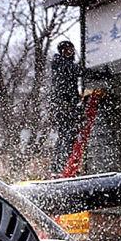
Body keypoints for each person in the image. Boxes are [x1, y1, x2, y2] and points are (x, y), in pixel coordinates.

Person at [47, 40, 85, 174]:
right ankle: (62, 166)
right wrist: (101, 72)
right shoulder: (61, 63)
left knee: (66, 135)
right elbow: (79, 71)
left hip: (65, 105)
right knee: (67, 136)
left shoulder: (64, 64)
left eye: (70, 49)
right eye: (66, 50)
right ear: (61, 52)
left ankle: (60, 166)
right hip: (63, 106)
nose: (69, 52)